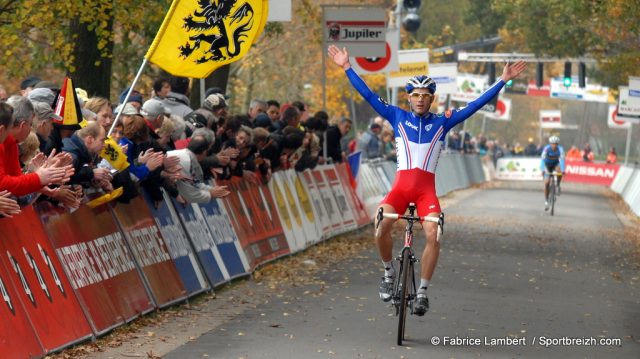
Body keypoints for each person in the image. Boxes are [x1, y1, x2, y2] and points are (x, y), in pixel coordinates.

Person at [328, 44, 526, 316]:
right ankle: (388, 273)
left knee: (435, 234)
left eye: (426, 95)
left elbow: (476, 104)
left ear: (432, 99)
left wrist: (502, 81)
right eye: (416, 95)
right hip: (399, 190)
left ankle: (422, 292)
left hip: (425, 193)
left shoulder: (443, 122)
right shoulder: (396, 115)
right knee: (380, 225)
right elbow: (368, 95)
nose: (420, 99)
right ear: (409, 97)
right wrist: (347, 67)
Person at [540, 135, 565, 211]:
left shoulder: (560, 149)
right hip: (547, 165)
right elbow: (542, 160)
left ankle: (557, 185)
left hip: (555, 164)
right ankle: (546, 201)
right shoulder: (546, 149)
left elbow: (562, 160)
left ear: (558, 144)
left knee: (559, 171)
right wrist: (542, 169)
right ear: (550, 144)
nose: (554, 145)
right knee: (547, 182)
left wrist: (563, 170)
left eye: (556, 144)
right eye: (553, 144)